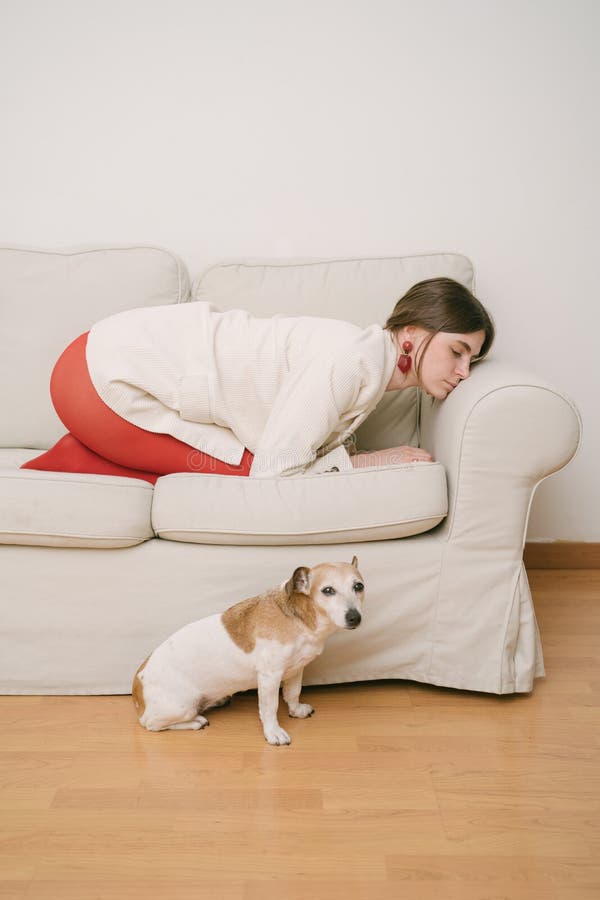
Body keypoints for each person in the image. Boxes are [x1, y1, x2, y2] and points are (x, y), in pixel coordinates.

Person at [21, 277, 495, 485]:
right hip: (98, 375)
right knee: (247, 474)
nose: (462, 372)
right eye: (458, 351)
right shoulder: (354, 360)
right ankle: (83, 453)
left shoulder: (367, 360)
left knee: (245, 466)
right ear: (412, 334)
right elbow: (277, 468)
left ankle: (87, 453)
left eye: (472, 360)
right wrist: (372, 462)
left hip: (94, 362)